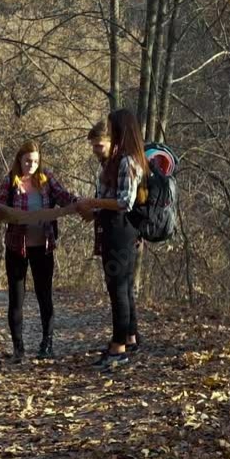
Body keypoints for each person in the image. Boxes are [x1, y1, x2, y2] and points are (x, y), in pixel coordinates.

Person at [76, 109, 148, 369]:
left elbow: (124, 201)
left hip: (120, 231)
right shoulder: (118, 161)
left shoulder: (128, 162)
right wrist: (92, 209)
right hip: (114, 229)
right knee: (124, 287)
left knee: (118, 288)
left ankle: (118, 348)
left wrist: (93, 202)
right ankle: (129, 337)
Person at [0, 141, 78, 362]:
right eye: (27, 161)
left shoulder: (46, 178)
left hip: (43, 246)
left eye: (35, 161)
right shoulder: (10, 181)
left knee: (44, 294)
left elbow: (64, 197)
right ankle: (18, 348)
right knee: (16, 298)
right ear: (20, 160)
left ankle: (47, 344)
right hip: (17, 246)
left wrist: (81, 203)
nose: (31, 165)